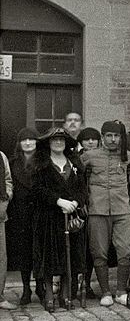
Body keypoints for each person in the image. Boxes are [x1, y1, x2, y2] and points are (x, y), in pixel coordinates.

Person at [82, 121, 130, 307]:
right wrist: (83, 202)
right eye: (108, 135)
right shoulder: (89, 156)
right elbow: (77, 180)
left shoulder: (128, 156)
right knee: (99, 251)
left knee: (126, 250)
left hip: (122, 210)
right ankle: (105, 292)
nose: (113, 139)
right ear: (102, 137)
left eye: (116, 136)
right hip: (97, 210)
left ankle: (121, 291)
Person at [31, 128, 88, 311]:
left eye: (61, 140)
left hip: (70, 217)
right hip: (48, 217)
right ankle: (49, 294)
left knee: (69, 254)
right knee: (49, 254)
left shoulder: (75, 163)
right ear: (48, 142)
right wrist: (58, 201)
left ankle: (65, 294)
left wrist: (75, 202)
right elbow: (37, 189)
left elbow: (82, 189)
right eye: (54, 140)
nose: (58, 143)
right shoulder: (41, 164)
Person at [6, 128, 39, 306]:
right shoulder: (12, 163)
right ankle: (26, 289)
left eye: (31, 139)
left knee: (40, 251)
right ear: (19, 143)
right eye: (24, 140)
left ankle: (41, 286)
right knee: (24, 252)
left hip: (40, 212)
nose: (28, 143)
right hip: (20, 213)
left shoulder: (43, 162)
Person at [0, 148, 14, 310]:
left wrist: (5, 201)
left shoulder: (1, 156)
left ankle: (0, 296)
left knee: (0, 257)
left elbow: (7, 180)